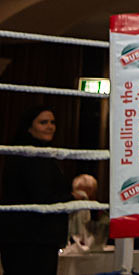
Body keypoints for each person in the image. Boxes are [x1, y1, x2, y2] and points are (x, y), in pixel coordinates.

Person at [0, 106, 82, 274]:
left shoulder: (44, 155)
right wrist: (73, 197)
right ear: (29, 127)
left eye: (52, 122)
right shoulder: (27, 155)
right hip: (27, 239)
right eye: (43, 122)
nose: (50, 126)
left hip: (39, 238)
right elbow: (42, 196)